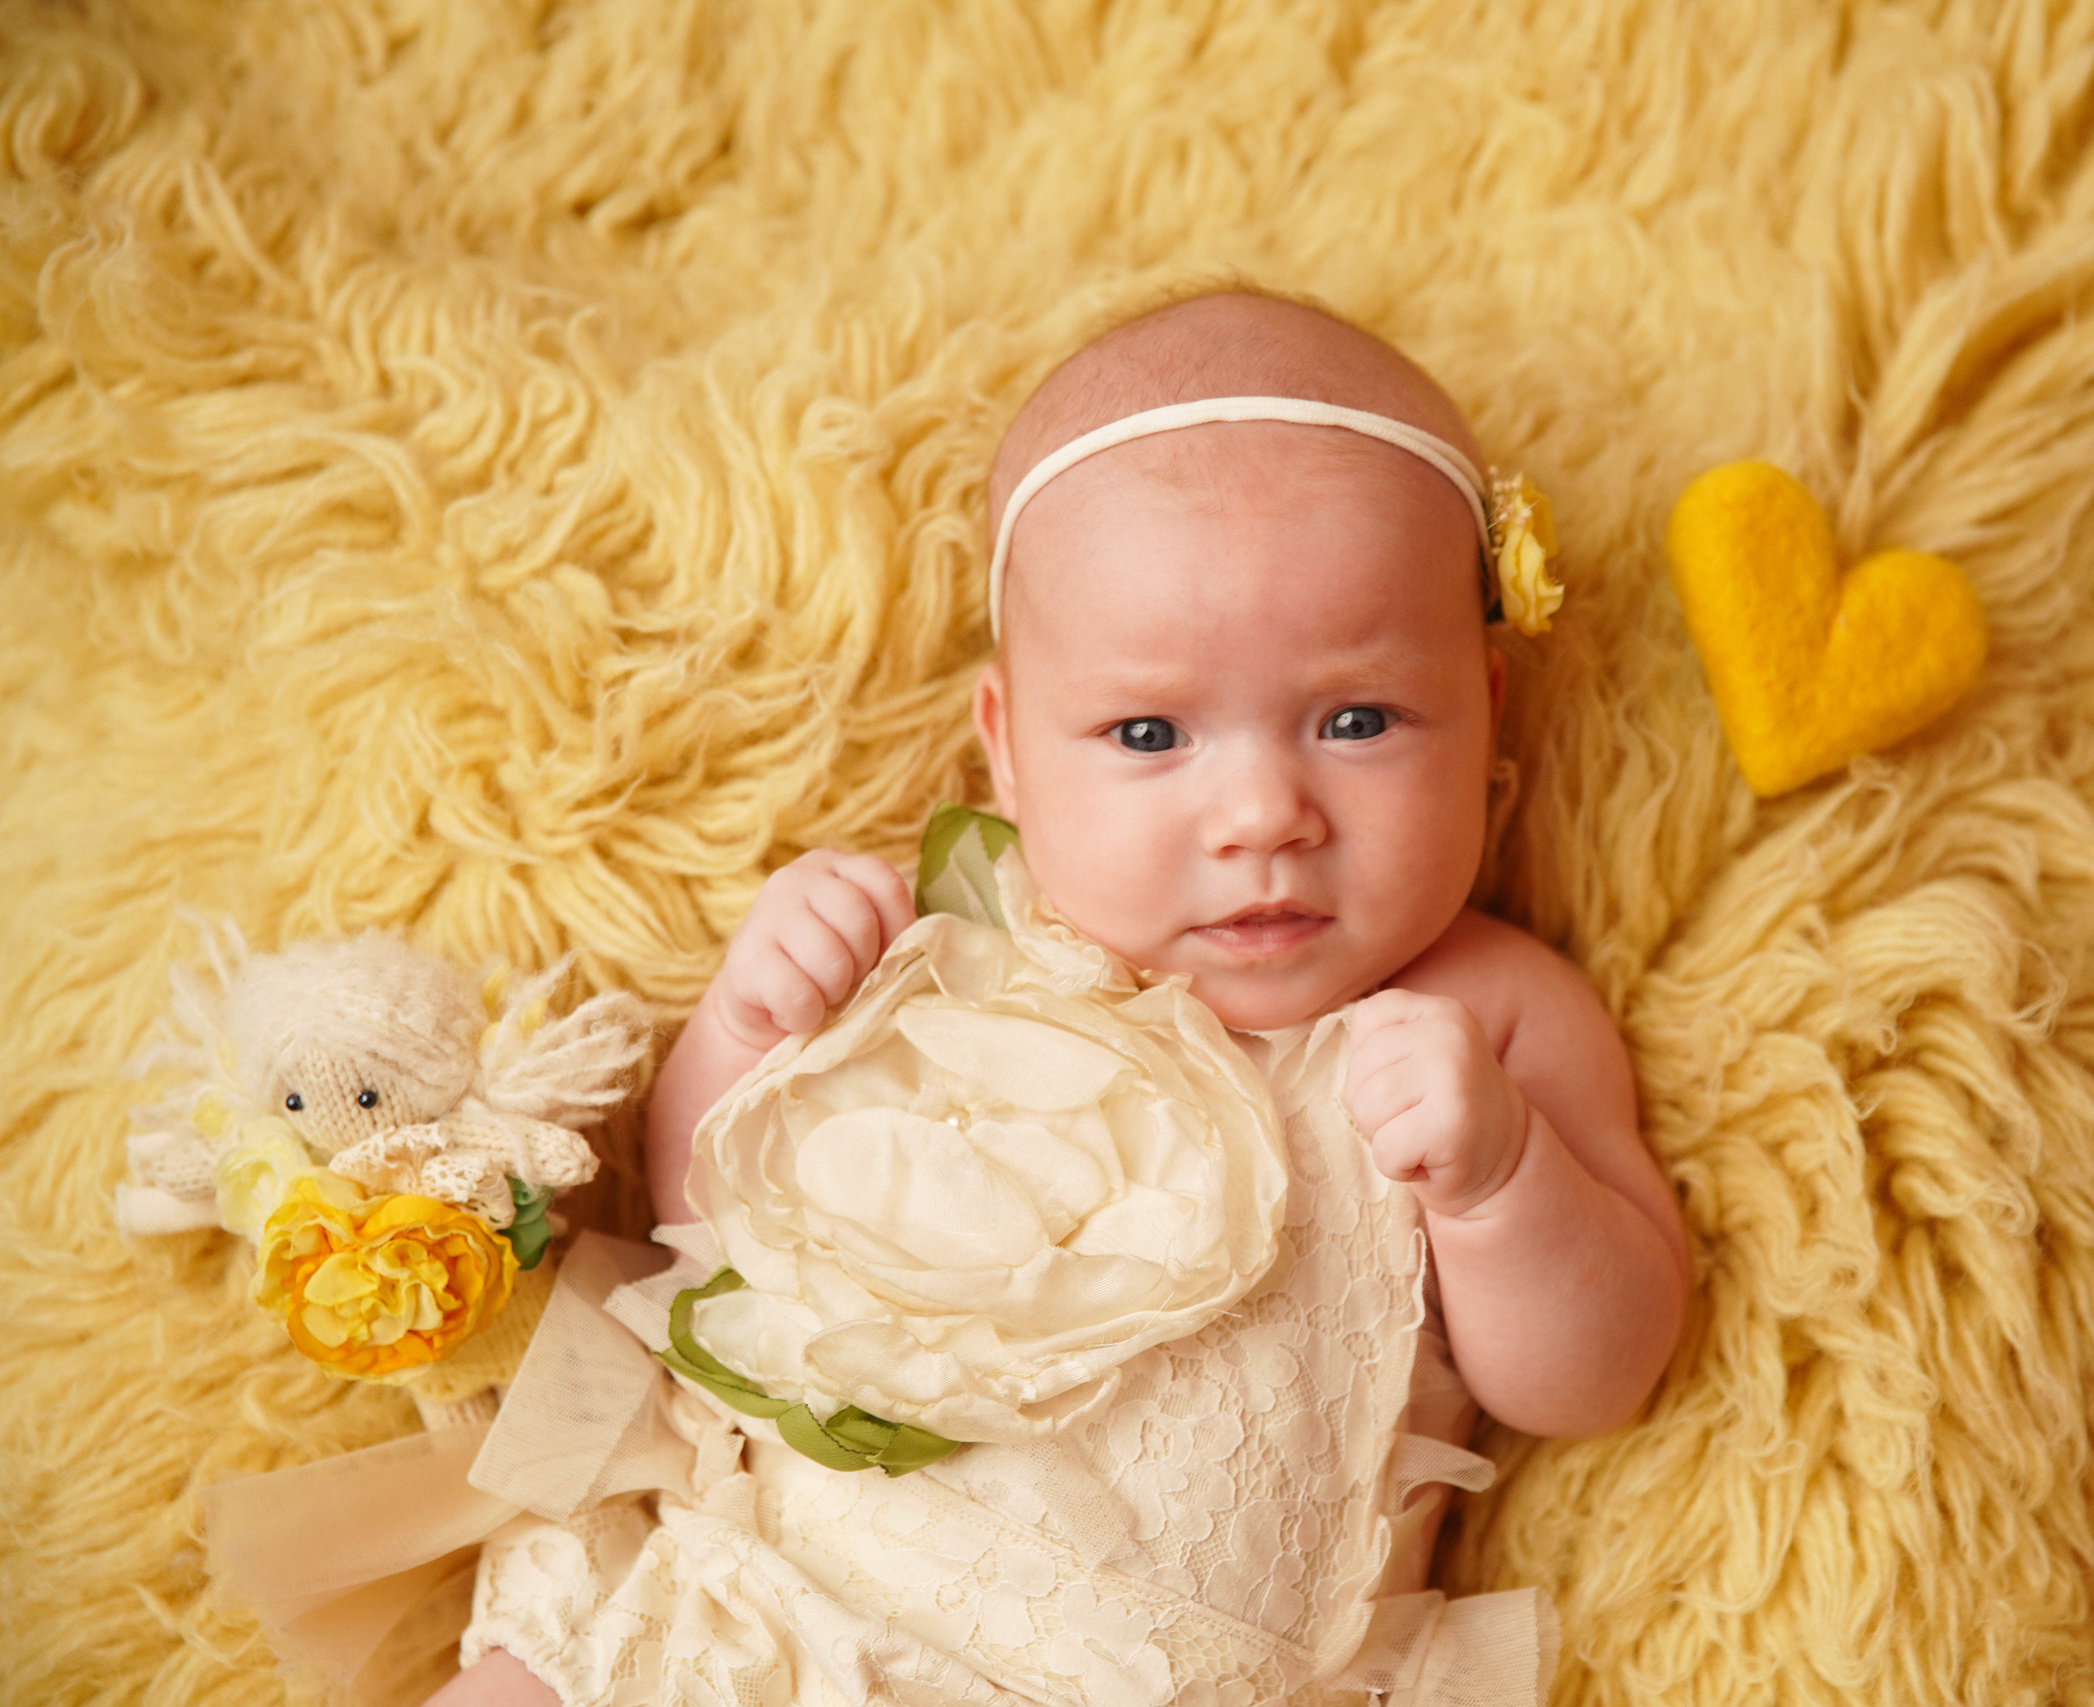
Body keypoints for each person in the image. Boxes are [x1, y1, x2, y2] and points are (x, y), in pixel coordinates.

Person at [434, 289, 1687, 1707]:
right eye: (1151, 733)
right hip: (777, 1614)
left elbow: (1599, 1376)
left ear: (1488, 712)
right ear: (1012, 752)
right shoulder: (957, 939)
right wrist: (747, 1027)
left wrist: (1504, 1178)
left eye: (1358, 721)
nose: (1264, 814)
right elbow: (718, 1221)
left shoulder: (1489, 1017)